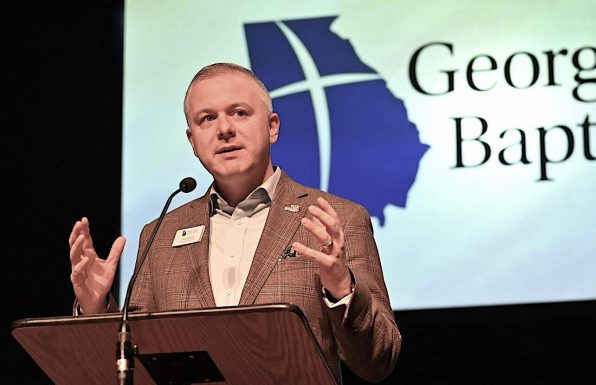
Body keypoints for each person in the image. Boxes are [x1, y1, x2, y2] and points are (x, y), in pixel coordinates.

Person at [67, 63, 401, 382]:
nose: (224, 129)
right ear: (193, 141)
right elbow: (137, 361)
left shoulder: (336, 218)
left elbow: (379, 360)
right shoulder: (160, 234)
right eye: (207, 118)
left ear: (272, 127)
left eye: (239, 113)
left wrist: (342, 289)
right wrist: (96, 308)